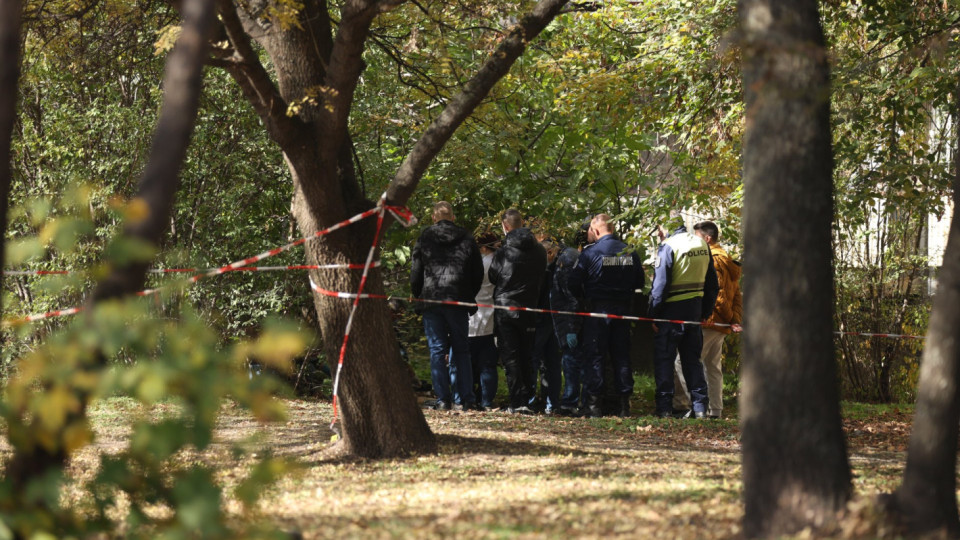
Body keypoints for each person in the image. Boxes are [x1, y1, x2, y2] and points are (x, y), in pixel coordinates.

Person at [568, 214, 645, 418]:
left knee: (595, 356)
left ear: (596, 230)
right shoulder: (630, 252)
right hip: (623, 311)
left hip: (597, 311)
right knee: (622, 356)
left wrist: (586, 295)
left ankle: (594, 406)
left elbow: (573, 283)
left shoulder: (589, 253)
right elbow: (639, 282)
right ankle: (623, 405)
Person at [410, 201, 484, 411]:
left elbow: (416, 271)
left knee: (436, 351)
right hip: (458, 301)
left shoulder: (425, 237)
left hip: (432, 299)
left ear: (434, 217)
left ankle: (443, 399)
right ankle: (467, 398)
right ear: (452, 217)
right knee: (462, 350)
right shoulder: (467, 237)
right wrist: (468, 294)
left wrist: (419, 295)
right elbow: (477, 272)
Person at [649, 215, 719, 419]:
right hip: (694, 312)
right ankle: (700, 407)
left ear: (666, 228)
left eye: (660, 230)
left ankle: (664, 408)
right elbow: (712, 284)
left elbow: (660, 286)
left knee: (664, 360)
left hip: (670, 313)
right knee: (692, 361)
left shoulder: (668, 246)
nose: (660, 234)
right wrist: (705, 312)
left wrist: (654, 315)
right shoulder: (701, 244)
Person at [672, 221, 742, 419]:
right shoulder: (726, 257)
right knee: (712, 367)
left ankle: (698, 407)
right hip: (720, 322)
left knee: (683, 362)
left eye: (697, 237)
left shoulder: (714, 259)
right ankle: (715, 410)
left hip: (711, 321)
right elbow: (736, 294)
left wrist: (728, 319)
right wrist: (733, 319)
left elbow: (718, 294)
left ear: (707, 238)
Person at [489, 209, 547, 414]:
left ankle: (517, 401)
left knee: (511, 356)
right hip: (529, 307)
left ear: (505, 226)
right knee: (527, 355)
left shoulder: (504, 251)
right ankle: (527, 400)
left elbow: (493, 276)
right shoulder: (540, 250)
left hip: (506, 308)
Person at [551, 230, 587, 416]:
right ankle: (576, 401)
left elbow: (571, 297)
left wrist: (571, 328)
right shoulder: (567, 256)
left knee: (572, 361)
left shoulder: (565, 261)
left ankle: (571, 401)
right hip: (569, 319)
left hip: (571, 320)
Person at [468, 231, 500, 411]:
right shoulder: (500, 262)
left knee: (471, 363)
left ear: (482, 247)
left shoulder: (481, 264)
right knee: (488, 364)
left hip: (474, 316)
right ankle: (487, 401)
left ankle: (471, 399)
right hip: (491, 317)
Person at [530, 235, 562, 413]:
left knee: (535, 360)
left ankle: (531, 399)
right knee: (552, 363)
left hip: (541, 321)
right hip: (554, 321)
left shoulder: (542, 272)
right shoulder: (557, 270)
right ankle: (552, 403)